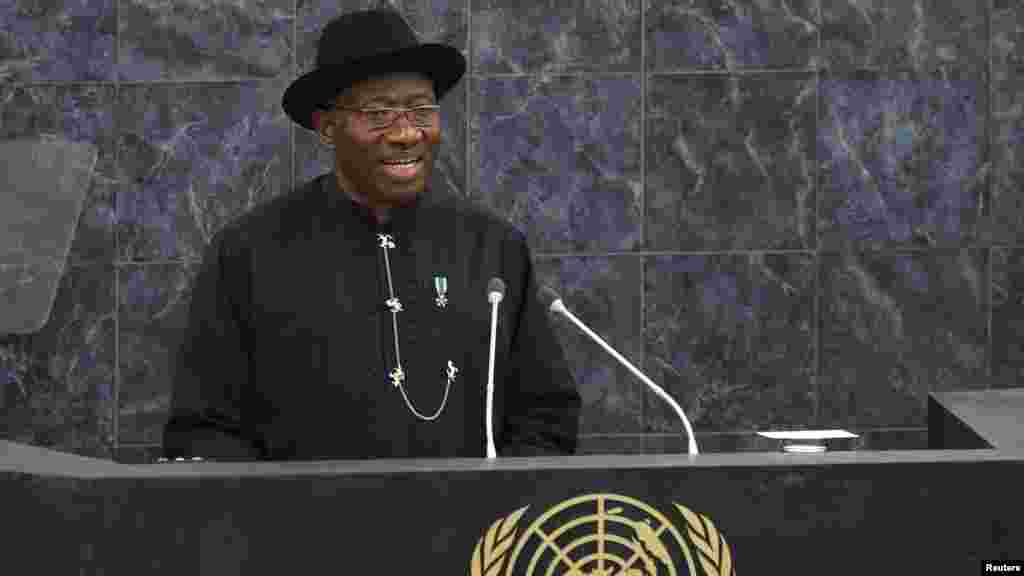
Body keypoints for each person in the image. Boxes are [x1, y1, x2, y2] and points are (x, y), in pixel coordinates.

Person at [161, 9, 581, 462]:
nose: (405, 133)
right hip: (300, 530)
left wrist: (494, 510)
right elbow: (206, 429)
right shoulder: (249, 252)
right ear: (327, 126)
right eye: (378, 113)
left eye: (421, 110)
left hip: (474, 529)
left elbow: (545, 416)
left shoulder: (493, 248)